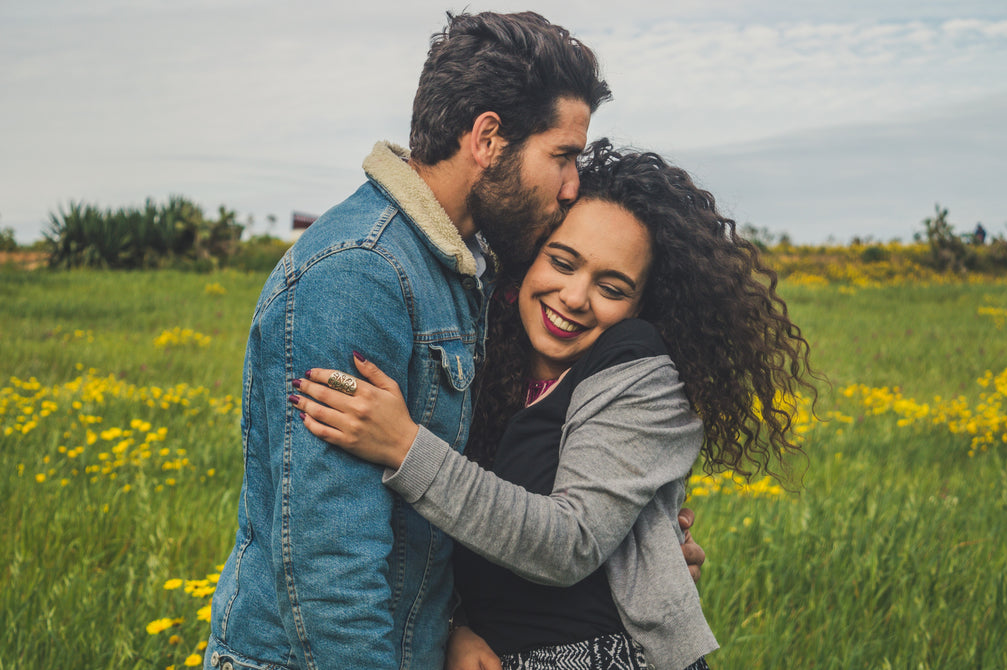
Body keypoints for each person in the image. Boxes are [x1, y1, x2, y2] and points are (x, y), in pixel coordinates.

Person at [205, 12, 704, 670]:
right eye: (563, 156)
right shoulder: (359, 275)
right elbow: (331, 567)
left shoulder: (466, 267)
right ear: (489, 139)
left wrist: (457, 626)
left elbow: (436, 524)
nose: (573, 183)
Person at [292, 140, 817, 669]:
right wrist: (457, 624)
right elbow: (448, 530)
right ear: (527, 257)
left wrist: (404, 446)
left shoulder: (642, 370)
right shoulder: (482, 357)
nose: (573, 296)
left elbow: (569, 542)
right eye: (562, 262)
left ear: (643, 306)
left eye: (611, 287)